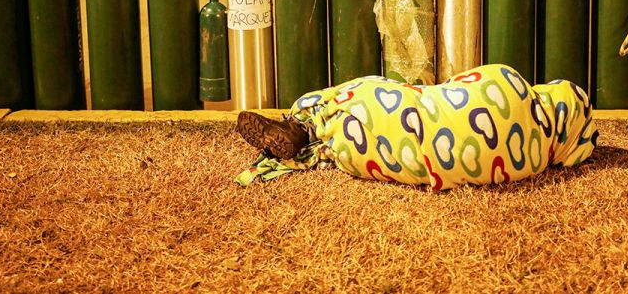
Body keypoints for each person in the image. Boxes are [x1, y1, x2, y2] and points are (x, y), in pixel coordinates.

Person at [234, 64, 598, 191]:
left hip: (398, 115)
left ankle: (301, 124)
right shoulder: (531, 163)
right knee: (391, 133)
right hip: (394, 157)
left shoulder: (512, 83)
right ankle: (323, 145)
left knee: (377, 90)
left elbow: (454, 90)